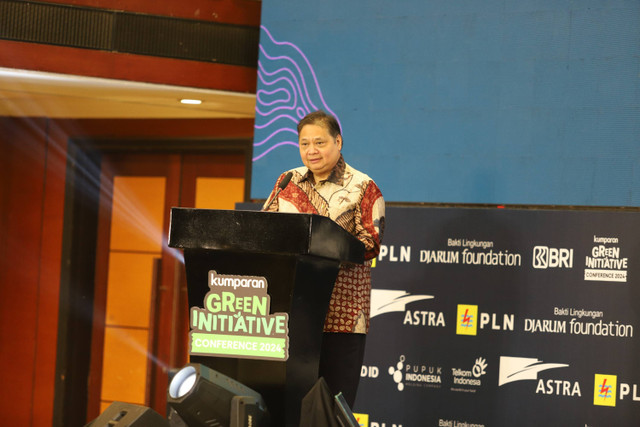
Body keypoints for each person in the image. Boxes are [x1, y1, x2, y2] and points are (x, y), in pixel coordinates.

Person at [263, 110, 385, 407]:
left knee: (332, 405)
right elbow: (265, 229)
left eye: (319, 142)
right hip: (292, 314)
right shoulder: (287, 181)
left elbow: (370, 245)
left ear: (338, 141)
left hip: (340, 316)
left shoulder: (362, 186)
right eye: (304, 144)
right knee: (290, 404)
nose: (311, 151)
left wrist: (320, 241)